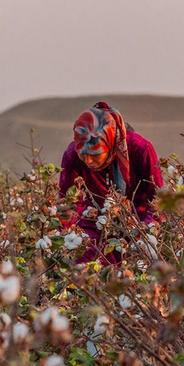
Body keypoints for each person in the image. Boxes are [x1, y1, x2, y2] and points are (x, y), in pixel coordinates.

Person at [59, 101, 163, 263]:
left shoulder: (140, 149)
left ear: (109, 144)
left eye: (94, 154)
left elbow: (158, 199)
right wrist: (68, 236)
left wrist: (146, 233)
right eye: (83, 154)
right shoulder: (72, 155)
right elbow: (68, 202)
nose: (87, 160)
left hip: (138, 222)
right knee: (85, 266)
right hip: (95, 222)